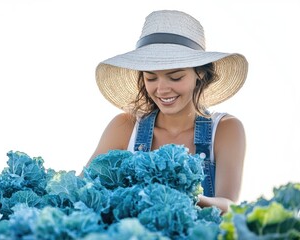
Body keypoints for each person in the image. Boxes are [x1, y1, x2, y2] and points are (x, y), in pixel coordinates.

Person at [85, 10, 248, 214]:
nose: (161, 90)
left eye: (176, 77)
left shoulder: (226, 129)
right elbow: (83, 189)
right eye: (151, 78)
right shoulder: (124, 126)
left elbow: (229, 205)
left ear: (199, 73)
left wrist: (186, 197)